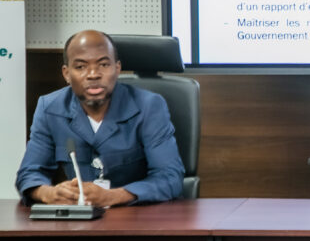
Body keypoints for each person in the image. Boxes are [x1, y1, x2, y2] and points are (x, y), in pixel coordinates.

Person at [16, 30, 184, 206]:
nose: (93, 74)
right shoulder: (50, 108)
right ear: (66, 74)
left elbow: (170, 177)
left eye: (103, 65)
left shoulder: (148, 106)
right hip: (78, 217)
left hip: (136, 215)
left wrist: (113, 196)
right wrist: (48, 193)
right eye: (80, 67)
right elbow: (29, 174)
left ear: (117, 69)